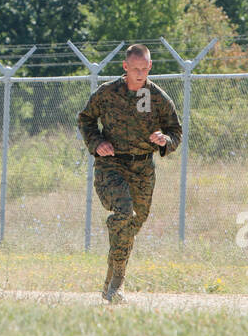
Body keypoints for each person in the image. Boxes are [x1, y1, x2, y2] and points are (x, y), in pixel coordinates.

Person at [77, 44, 182, 303]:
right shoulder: (107, 93)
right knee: (124, 212)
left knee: (134, 223)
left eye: (145, 69)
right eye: (135, 69)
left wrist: (164, 140)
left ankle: (111, 282)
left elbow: (175, 131)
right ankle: (117, 285)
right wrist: (96, 143)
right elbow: (86, 120)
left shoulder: (157, 97)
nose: (140, 74)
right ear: (125, 67)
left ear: (150, 68)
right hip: (111, 164)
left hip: (143, 168)